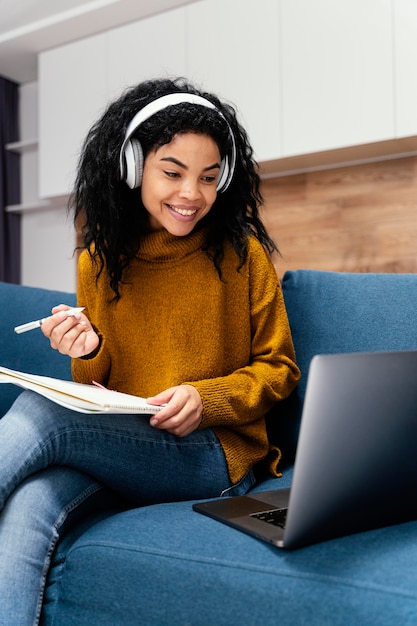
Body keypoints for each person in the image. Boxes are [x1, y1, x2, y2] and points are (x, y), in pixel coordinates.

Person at [0, 77, 300, 625]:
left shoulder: (242, 255)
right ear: (136, 168)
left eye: (209, 178)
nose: (192, 194)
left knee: (41, 415)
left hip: (211, 455)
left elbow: (278, 370)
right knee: (28, 502)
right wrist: (87, 349)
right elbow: (98, 380)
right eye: (172, 172)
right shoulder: (99, 260)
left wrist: (204, 398)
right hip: (127, 447)